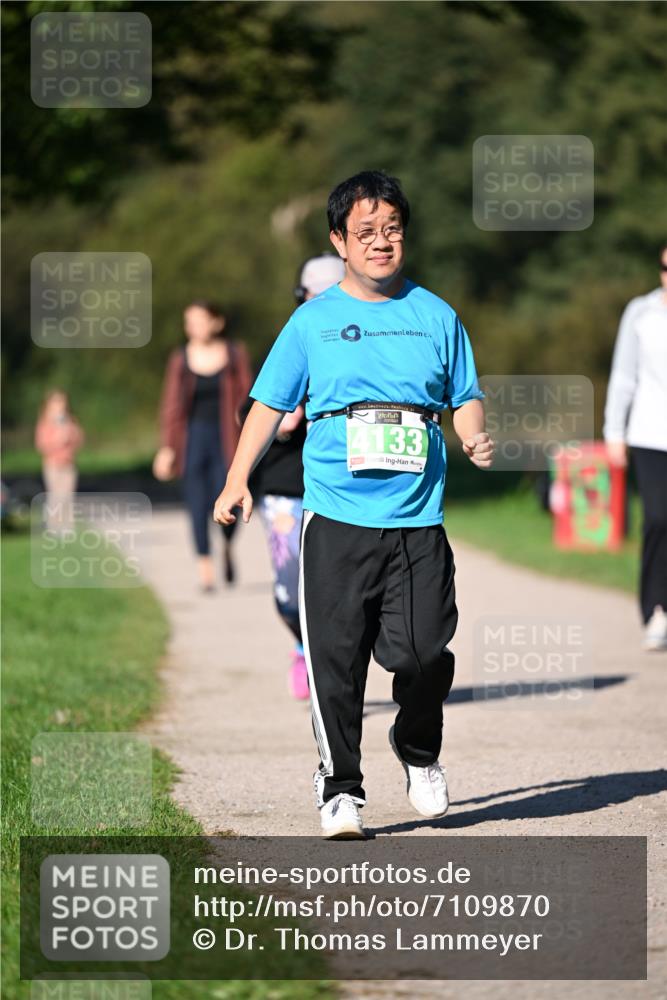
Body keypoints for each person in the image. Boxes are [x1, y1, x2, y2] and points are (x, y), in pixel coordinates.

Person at [214, 170, 493, 839]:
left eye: (391, 230)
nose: (380, 242)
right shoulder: (311, 321)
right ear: (339, 241)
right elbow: (268, 405)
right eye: (365, 232)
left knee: (424, 653)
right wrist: (236, 480)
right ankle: (339, 786)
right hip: (336, 520)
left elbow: (464, 392)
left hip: (417, 521)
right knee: (335, 664)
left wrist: (472, 432)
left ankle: (418, 752)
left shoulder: (435, 315)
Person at [252, 254, 346, 700]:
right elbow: (248, 412)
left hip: (345, 487)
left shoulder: (361, 344)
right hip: (286, 485)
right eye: (316, 294)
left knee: (342, 587)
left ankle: (337, 670)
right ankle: (301, 644)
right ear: (301, 298)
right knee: (290, 588)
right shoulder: (292, 340)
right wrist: (284, 419)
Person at [153, 300, 253, 592]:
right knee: (196, 503)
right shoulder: (180, 358)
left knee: (229, 496)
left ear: (216, 322)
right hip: (192, 440)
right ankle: (205, 567)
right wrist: (167, 448)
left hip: (227, 439)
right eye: (189, 322)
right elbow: (171, 406)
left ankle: (227, 543)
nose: (193, 328)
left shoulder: (235, 355)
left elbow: (249, 400)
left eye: (199, 321)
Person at [604, 242, 667, 651]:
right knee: (660, 519)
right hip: (650, 434)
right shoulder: (641, 313)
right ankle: (657, 609)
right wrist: (615, 433)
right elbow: (624, 375)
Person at [35, 389, 85, 535]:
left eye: (62, 401)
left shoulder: (69, 420)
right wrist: (57, 439)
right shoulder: (45, 422)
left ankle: (67, 527)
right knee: (56, 495)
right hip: (52, 464)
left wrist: (71, 433)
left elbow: (79, 438)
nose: (60, 405)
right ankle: (54, 526)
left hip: (68, 463)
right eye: (56, 401)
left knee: (67, 495)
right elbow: (41, 444)